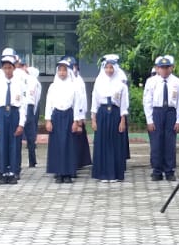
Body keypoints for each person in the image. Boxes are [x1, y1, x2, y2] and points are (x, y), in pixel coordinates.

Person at [0, 50, 33, 185]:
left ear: (14, 68)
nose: (7, 70)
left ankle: (14, 172)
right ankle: (3, 171)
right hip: (1, 113)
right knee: (2, 144)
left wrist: (21, 123)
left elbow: (23, 105)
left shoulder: (20, 83)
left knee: (14, 144)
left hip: (14, 113)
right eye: (5, 67)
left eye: (10, 67)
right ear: (2, 68)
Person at [44, 57, 87, 184]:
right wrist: (48, 120)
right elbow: (48, 104)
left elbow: (77, 105)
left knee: (69, 145)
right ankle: (58, 173)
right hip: (56, 117)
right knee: (57, 145)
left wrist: (76, 121)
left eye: (64, 70)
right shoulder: (53, 86)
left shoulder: (74, 87)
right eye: (60, 70)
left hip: (69, 116)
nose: (62, 73)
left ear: (68, 72)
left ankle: (68, 173)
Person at [88, 54, 128, 183]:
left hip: (116, 113)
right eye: (107, 67)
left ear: (115, 69)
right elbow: (94, 102)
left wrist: (122, 120)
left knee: (115, 143)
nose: (109, 70)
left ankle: (115, 174)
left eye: (111, 68)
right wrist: (93, 119)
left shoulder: (121, 84)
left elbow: (123, 104)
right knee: (102, 143)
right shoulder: (99, 82)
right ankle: (103, 174)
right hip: (102, 113)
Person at [143, 56, 179, 181]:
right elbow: (147, 101)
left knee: (170, 142)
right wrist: (149, 120)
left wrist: (178, 120)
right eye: (162, 68)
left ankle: (169, 171)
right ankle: (157, 170)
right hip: (157, 112)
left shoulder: (176, 81)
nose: (164, 70)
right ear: (157, 69)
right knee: (156, 142)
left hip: (170, 112)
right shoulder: (151, 81)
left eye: (167, 67)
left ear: (171, 68)